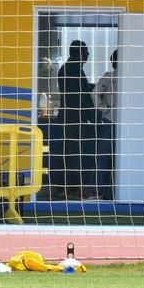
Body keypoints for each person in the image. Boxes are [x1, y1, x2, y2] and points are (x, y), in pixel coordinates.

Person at [54, 40, 99, 200]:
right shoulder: (74, 70)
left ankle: (64, 188)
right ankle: (71, 189)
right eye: (86, 52)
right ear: (79, 53)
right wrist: (93, 117)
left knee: (67, 153)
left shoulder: (66, 68)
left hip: (68, 116)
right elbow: (82, 97)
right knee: (73, 155)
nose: (88, 55)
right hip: (74, 118)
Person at [93, 49, 118, 200]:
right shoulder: (109, 77)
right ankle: (98, 190)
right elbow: (94, 93)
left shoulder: (133, 77)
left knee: (115, 157)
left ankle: (113, 191)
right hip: (110, 122)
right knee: (104, 156)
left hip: (127, 123)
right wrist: (104, 109)